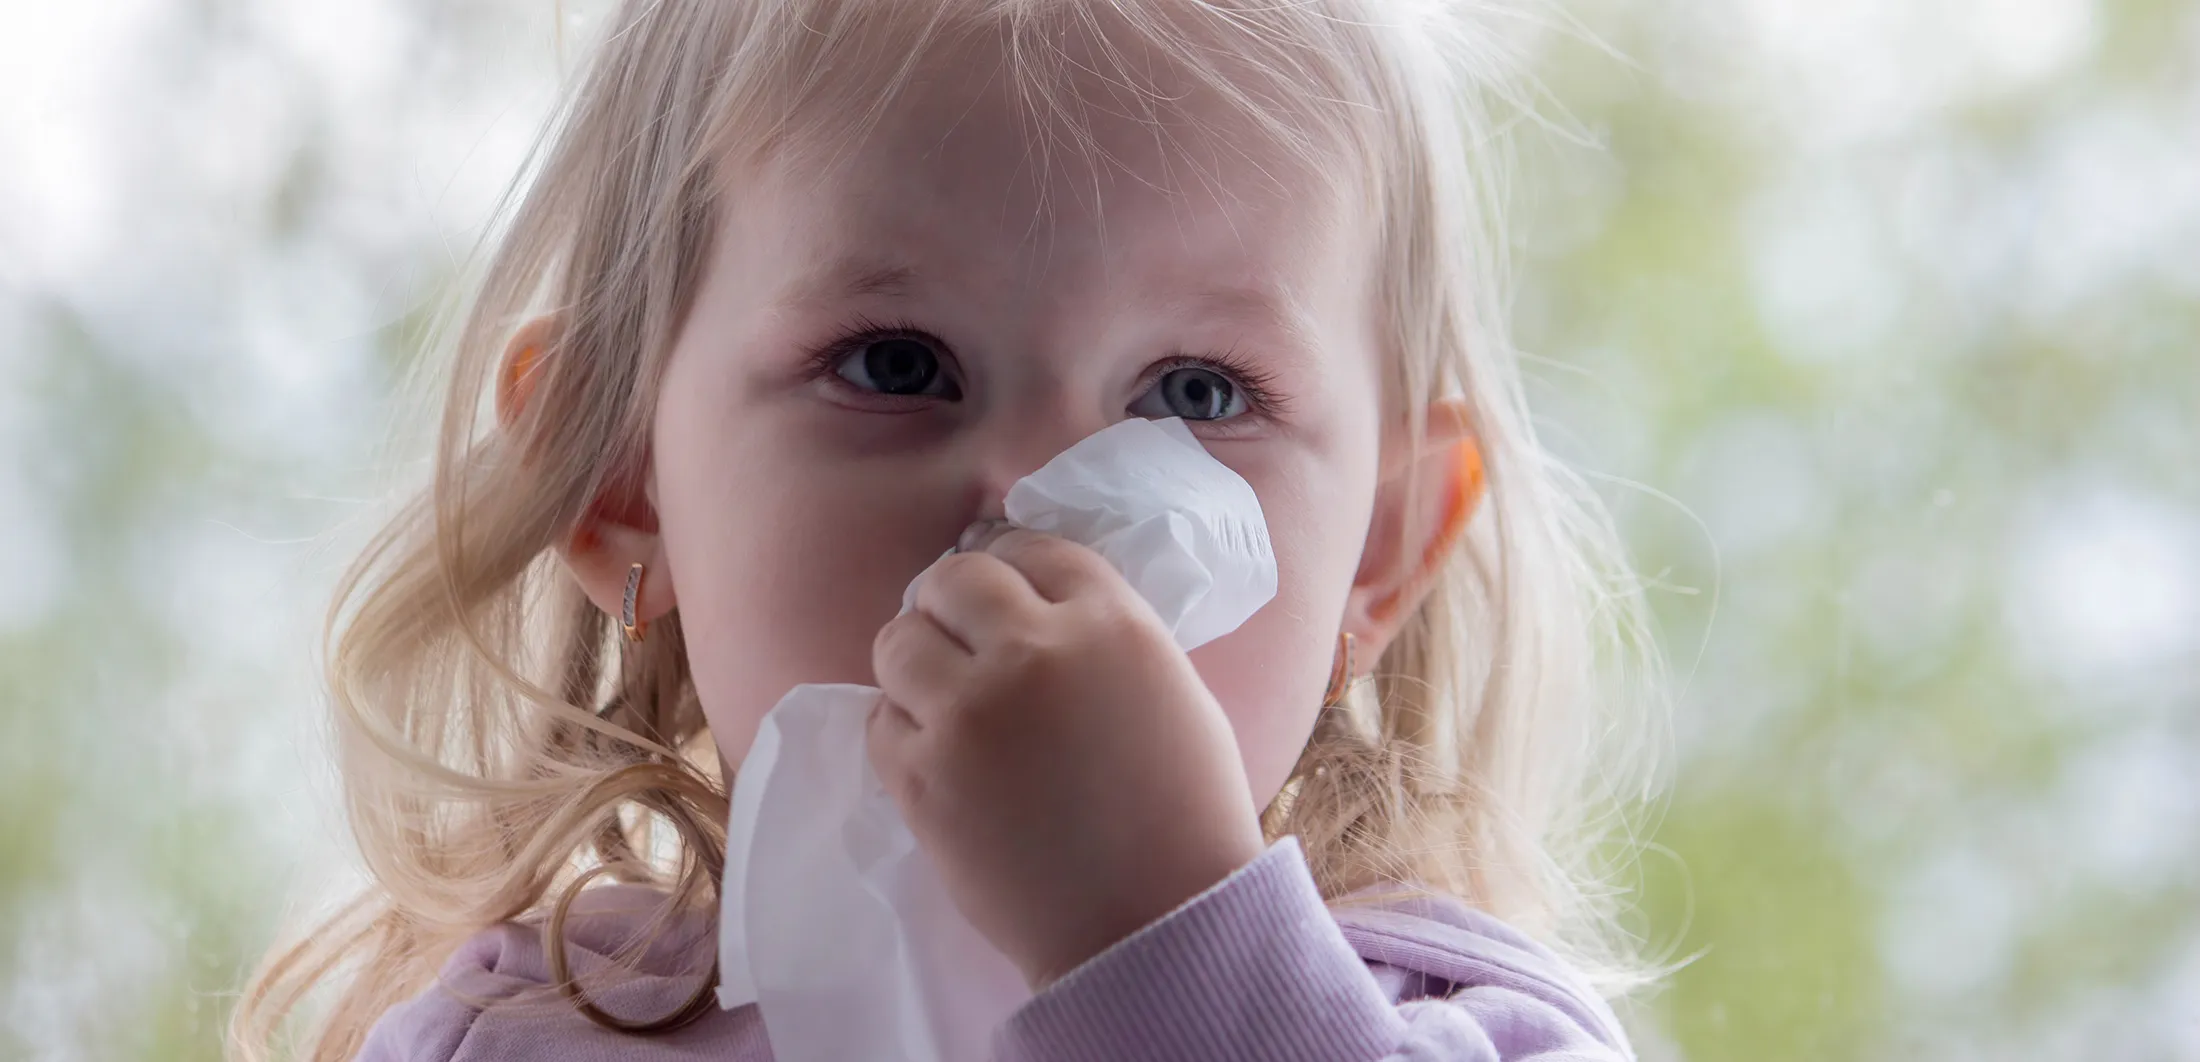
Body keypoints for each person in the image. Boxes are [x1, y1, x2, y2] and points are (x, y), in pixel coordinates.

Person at [230, 1, 1673, 1059]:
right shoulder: (513, 1039)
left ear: (1377, 551)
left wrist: (1168, 935)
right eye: (896, 364)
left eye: (1196, 392)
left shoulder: (1470, 1030)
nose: (1034, 503)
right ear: (620, 480)